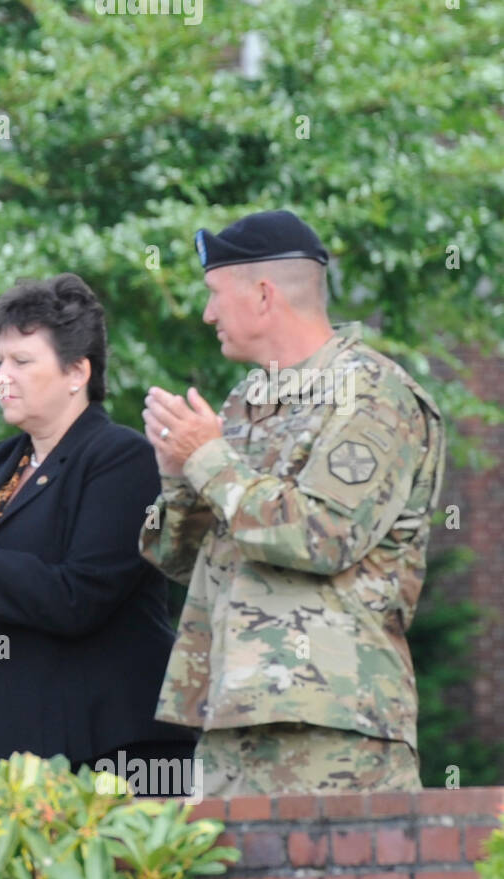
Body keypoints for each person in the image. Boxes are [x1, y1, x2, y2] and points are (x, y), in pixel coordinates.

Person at [139, 209, 446, 795]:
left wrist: (207, 460)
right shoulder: (242, 403)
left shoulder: (373, 394)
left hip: (331, 721)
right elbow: (182, 562)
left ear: (262, 294)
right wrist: (178, 476)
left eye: (213, 295)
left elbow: (321, 535)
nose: (206, 314)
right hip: (228, 712)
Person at [0, 273, 196, 786]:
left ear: (77, 372)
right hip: (2, 750)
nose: (2, 377)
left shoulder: (121, 458)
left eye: (22, 362)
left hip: (109, 750)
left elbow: (77, 599)